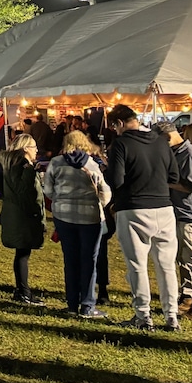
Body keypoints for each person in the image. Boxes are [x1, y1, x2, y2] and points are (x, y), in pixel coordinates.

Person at [105, 104, 181, 331]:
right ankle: (171, 316)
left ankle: (143, 315)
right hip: (164, 208)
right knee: (166, 266)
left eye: (114, 127)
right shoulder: (160, 141)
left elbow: (116, 180)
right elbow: (174, 175)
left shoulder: (121, 143)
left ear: (119, 123)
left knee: (137, 265)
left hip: (134, 208)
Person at [43, 130, 112, 318]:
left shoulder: (56, 163)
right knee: (89, 260)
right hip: (90, 217)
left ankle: (72, 304)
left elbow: (48, 190)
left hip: (64, 216)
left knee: (70, 260)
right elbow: (105, 193)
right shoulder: (92, 164)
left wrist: (61, 198)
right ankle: (88, 305)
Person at [155, 120, 192, 323]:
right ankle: (187, 295)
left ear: (168, 137)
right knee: (182, 257)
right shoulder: (177, 153)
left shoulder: (191, 155)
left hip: (190, 213)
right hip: (178, 212)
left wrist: (167, 183)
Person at [0, 133, 46, 305]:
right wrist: (30, 172)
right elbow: (24, 191)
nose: (36, 150)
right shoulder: (23, 166)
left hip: (15, 214)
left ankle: (21, 289)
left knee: (21, 253)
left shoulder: (10, 163)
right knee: (23, 253)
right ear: (26, 148)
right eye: (34, 147)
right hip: (23, 215)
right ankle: (24, 292)